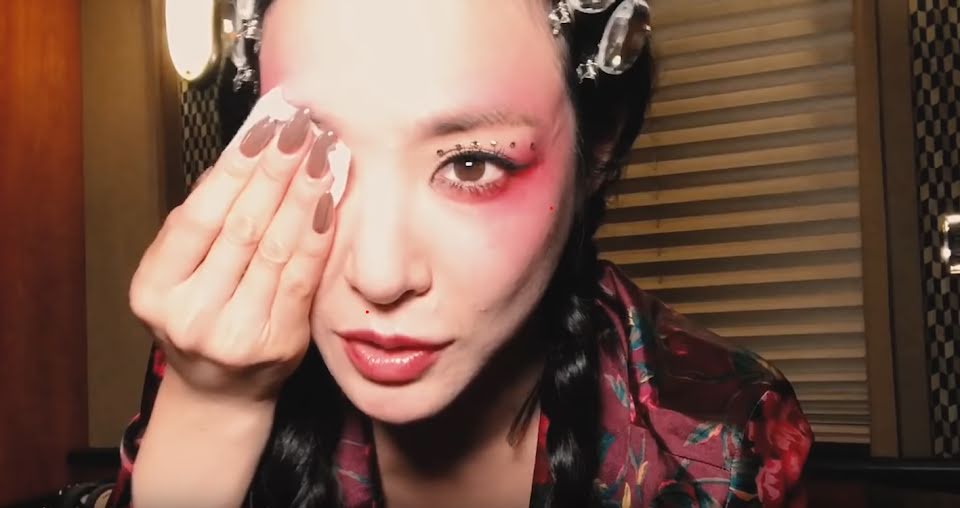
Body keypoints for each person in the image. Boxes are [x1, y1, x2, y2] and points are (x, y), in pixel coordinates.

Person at [105, 1, 814, 507]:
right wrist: (213, 409)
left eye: (471, 164)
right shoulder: (224, 351)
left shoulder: (714, 432)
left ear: (597, 147)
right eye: (319, 157)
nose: (380, 276)